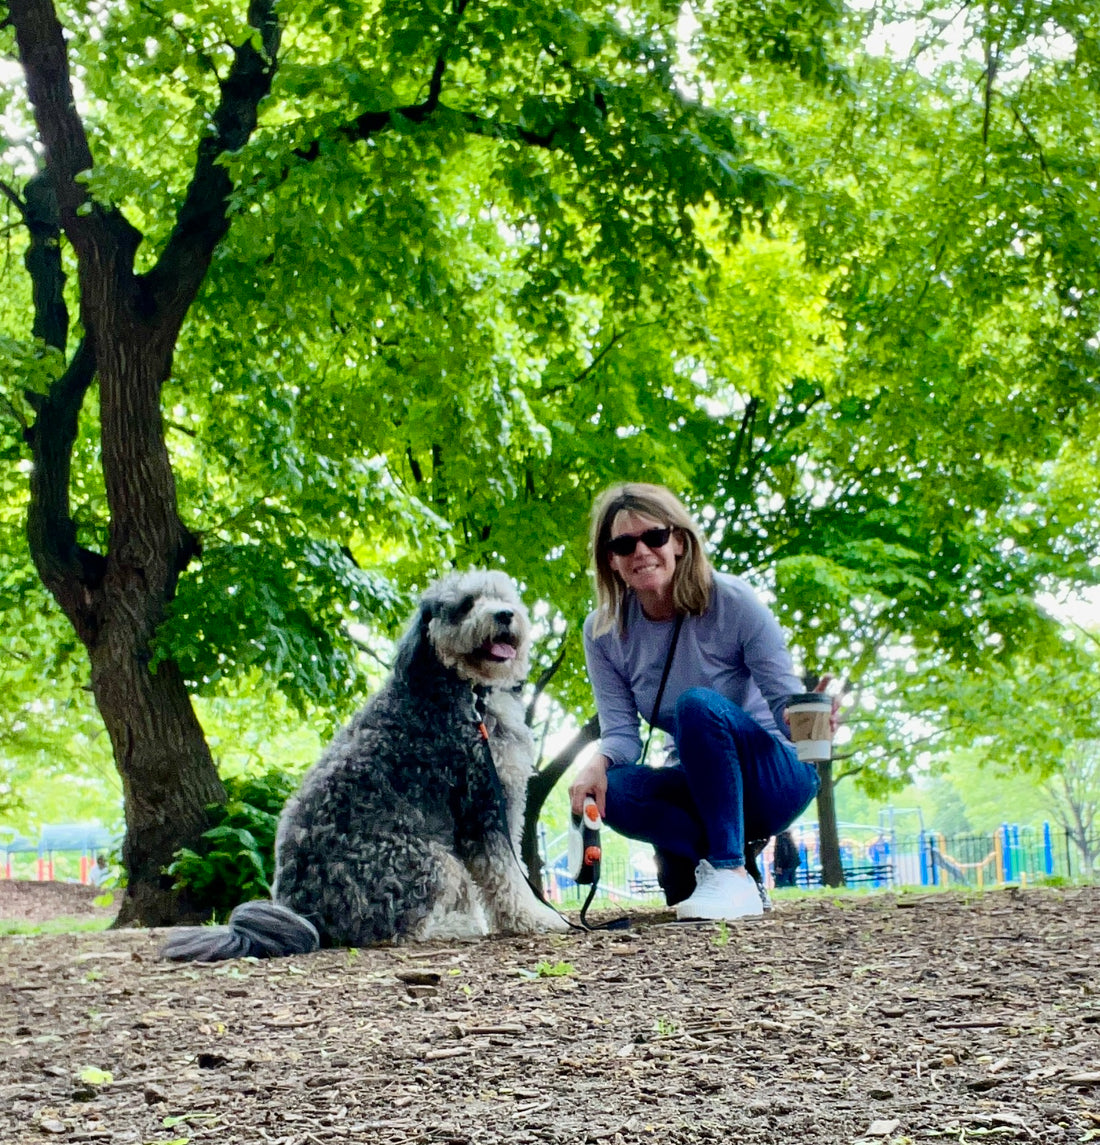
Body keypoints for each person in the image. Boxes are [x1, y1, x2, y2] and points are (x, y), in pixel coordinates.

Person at [569, 482, 832, 922]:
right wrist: (596, 764)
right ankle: (731, 866)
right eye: (623, 543)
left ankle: (728, 872)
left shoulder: (734, 601)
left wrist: (816, 723)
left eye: (653, 536)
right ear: (609, 558)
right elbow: (621, 735)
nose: (641, 552)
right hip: (698, 782)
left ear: (679, 541)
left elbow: (788, 708)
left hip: (775, 778)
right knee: (611, 791)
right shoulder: (602, 631)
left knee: (697, 707)